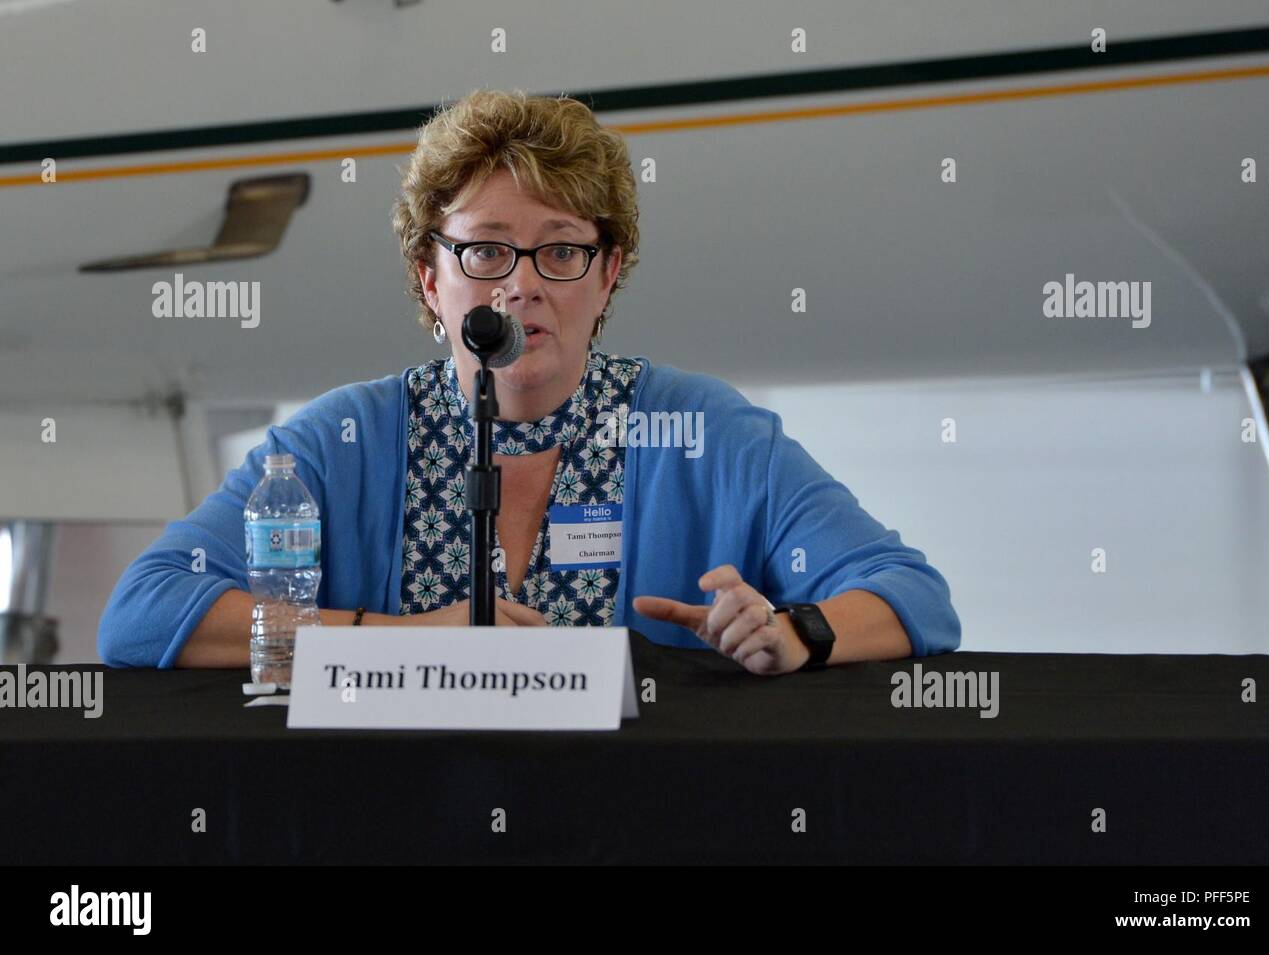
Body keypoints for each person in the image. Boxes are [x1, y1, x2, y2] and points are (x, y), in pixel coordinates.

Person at [98, 88, 960, 677]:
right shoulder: (339, 440)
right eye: (484, 250)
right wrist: (391, 643)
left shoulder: (705, 430)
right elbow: (143, 611)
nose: (520, 284)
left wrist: (794, 631)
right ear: (431, 279)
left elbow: (913, 596)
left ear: (608, 272)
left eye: (560, 248)